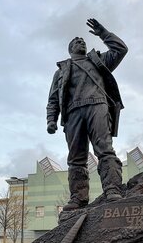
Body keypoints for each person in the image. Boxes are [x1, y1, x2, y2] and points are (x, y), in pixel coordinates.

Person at [47, 18, 128, 211]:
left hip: (97, 105)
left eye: (82, 40)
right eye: (76, 41)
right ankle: (78, 198)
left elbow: (121, 49)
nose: (81, 41)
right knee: (76, 158)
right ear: (70, 49)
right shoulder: (61, 71)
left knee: (105, 149)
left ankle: (112, 189)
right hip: (73, 112)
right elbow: (53, 98)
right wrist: (51, 119)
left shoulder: (98, 61)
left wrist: (103, 33)